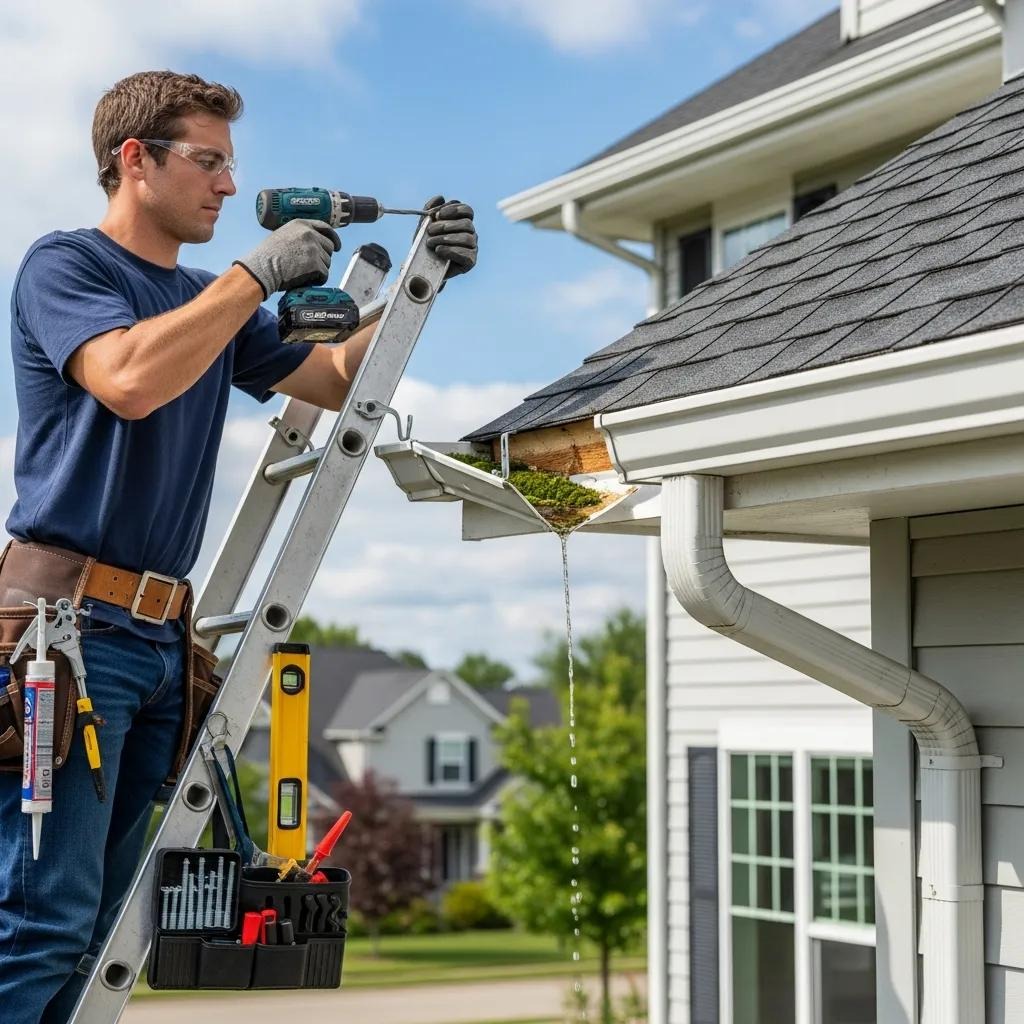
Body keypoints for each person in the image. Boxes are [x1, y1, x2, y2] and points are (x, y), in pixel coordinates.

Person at [0, 70, 477, 1023]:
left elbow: (332, 377)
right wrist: (254, 275)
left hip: (157, 642)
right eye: (207, 161)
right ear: (135, 161)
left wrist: (419, 289)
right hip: (68, 634)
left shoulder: (202, 299)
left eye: (230, 164)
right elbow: (128, 379)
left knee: (102, 933)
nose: (227, 184)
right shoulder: (66, 267)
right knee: (41, 921)